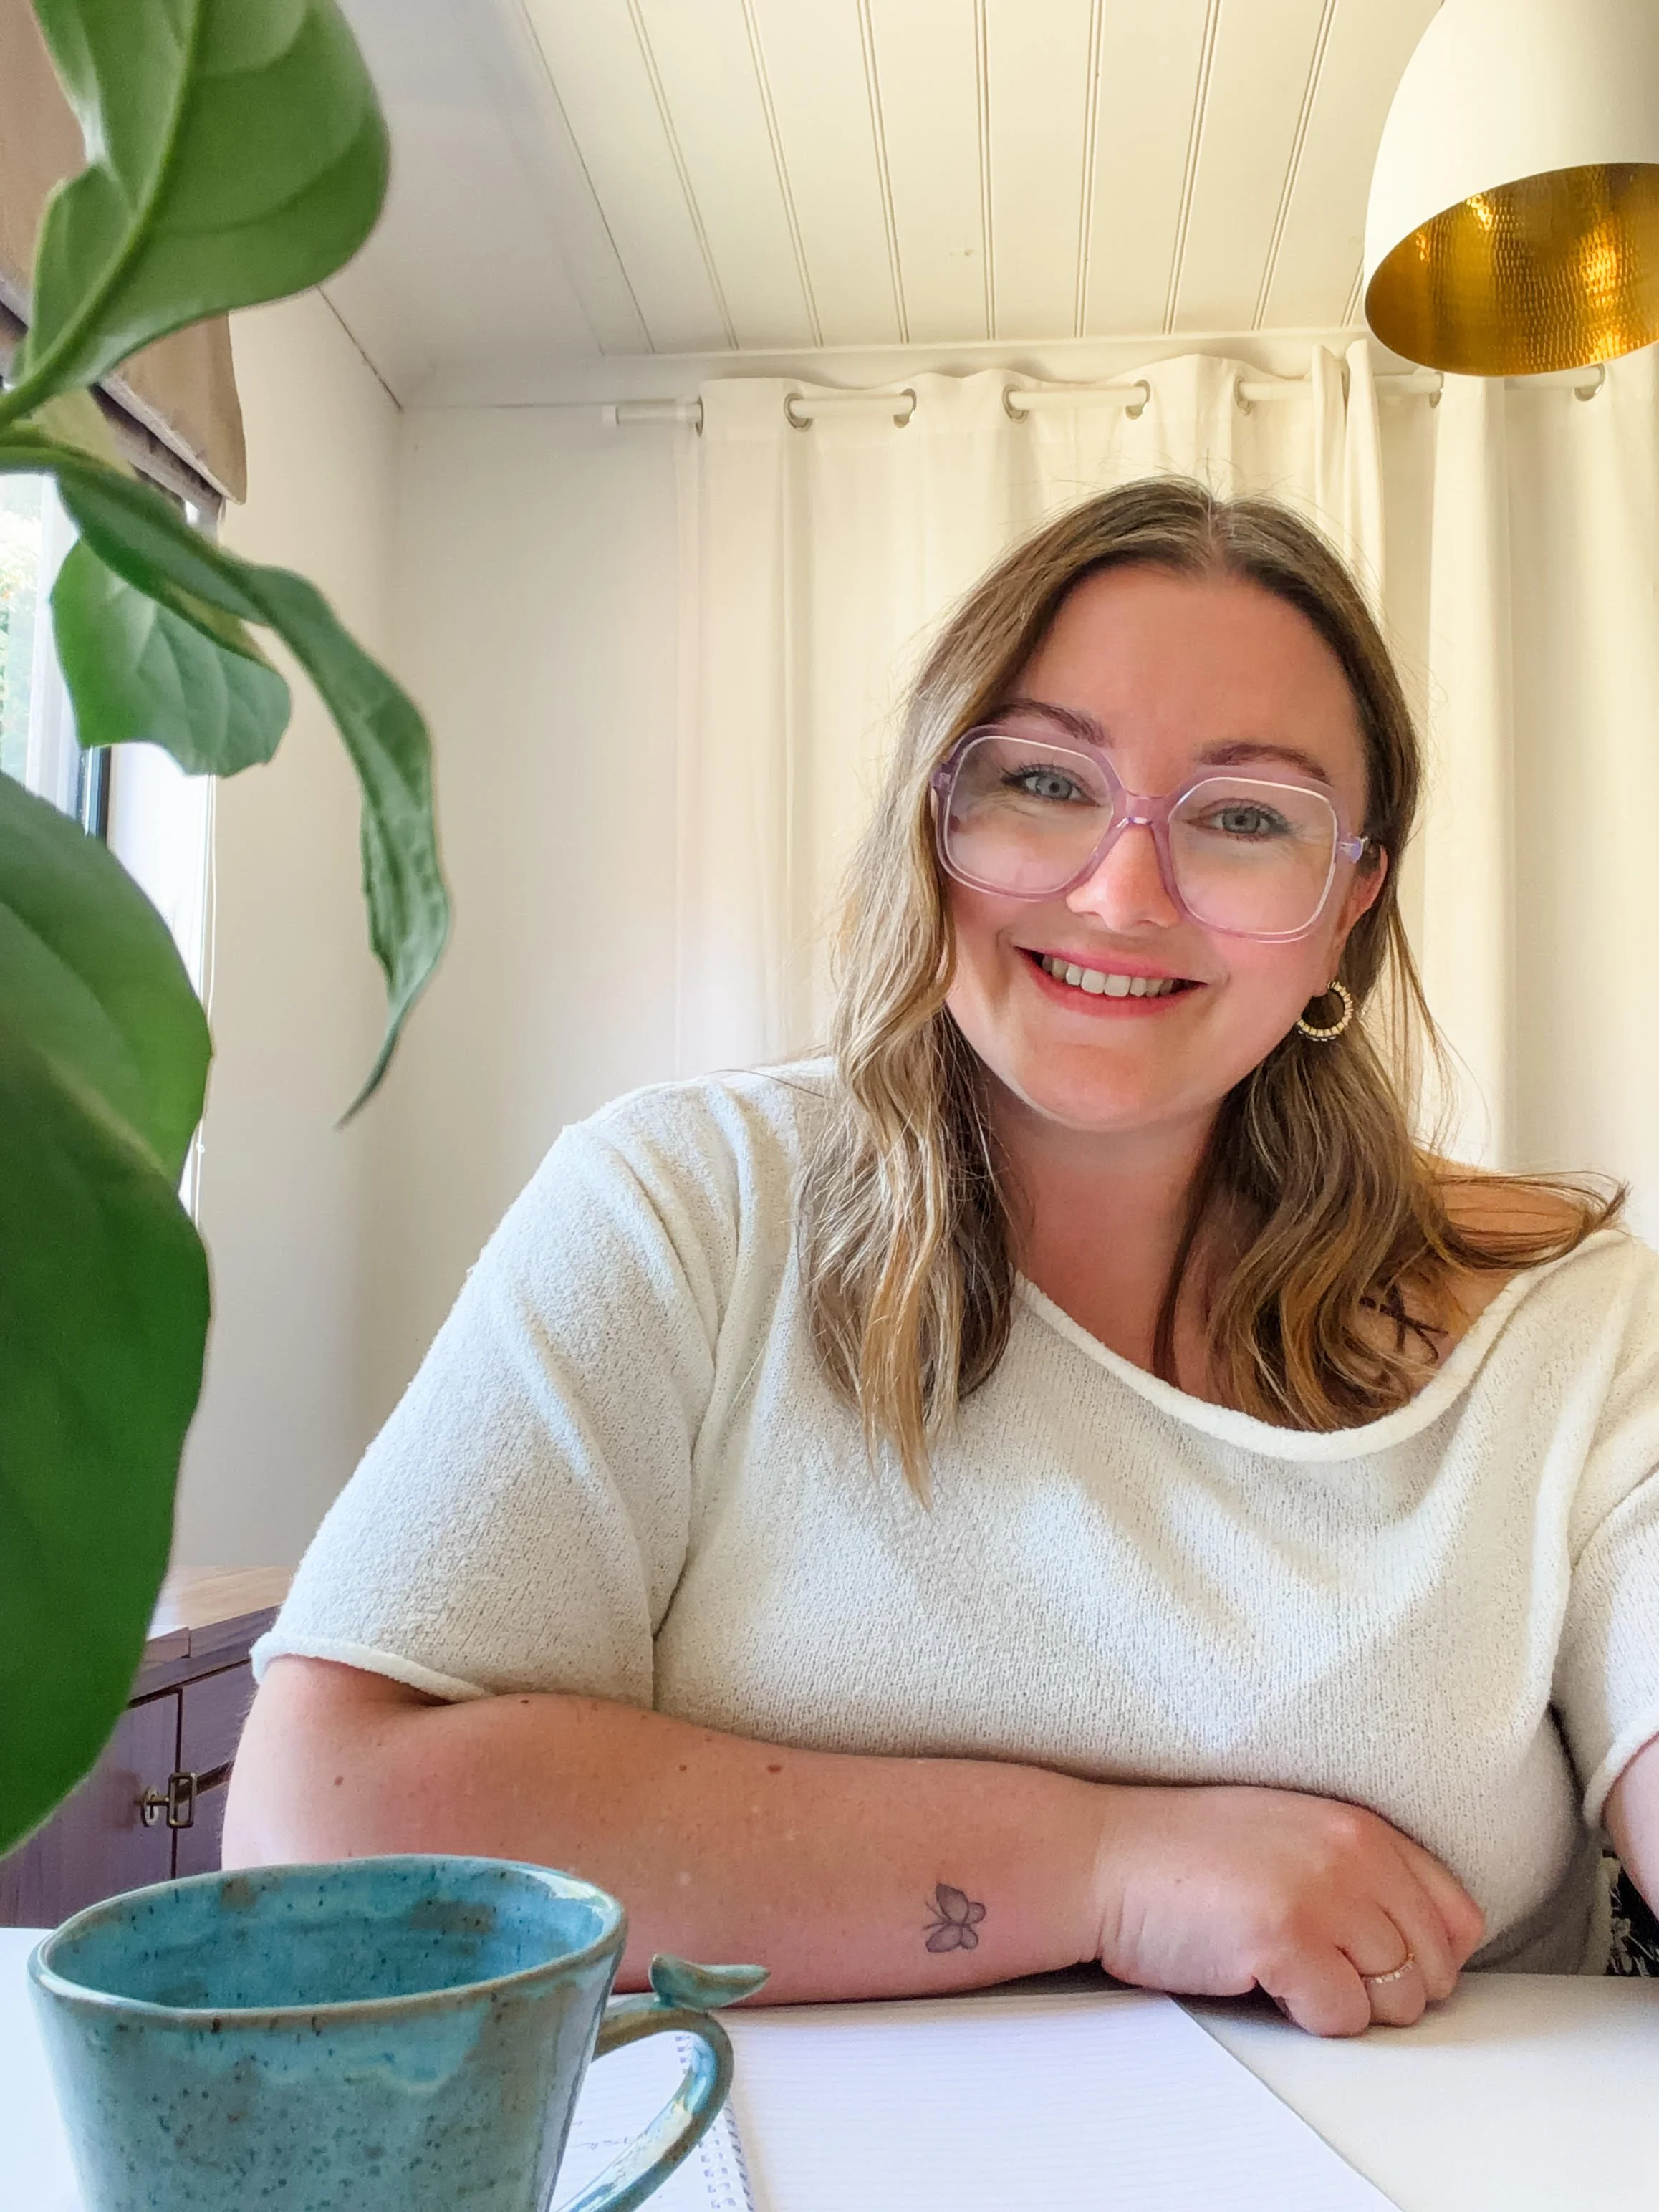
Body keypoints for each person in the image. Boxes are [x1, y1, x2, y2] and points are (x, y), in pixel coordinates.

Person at [225, 478, 1659, 2037]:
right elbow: (328, 1819)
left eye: (1247, 816)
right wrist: (1107, 1863)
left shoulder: (1569, 1323)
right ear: (933, 815)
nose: (1122, 892)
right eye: (1043, 780)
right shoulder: (684, 1207)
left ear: (1350, 904)